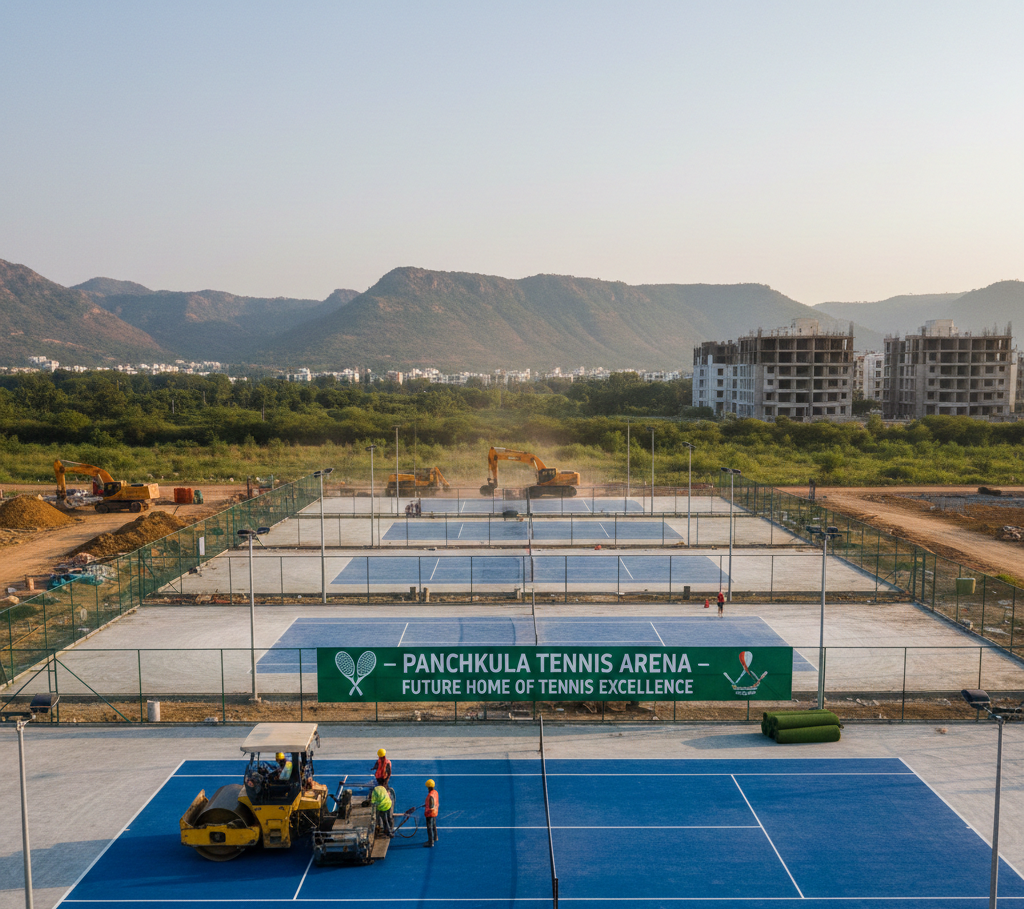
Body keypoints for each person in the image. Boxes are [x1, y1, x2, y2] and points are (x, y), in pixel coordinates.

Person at [424, 779, 439, 847]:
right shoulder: (435, 792)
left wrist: (428, 808)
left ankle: (430, 842)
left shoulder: (430, 795)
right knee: (434, 825)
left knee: (429, 827)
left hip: (430, 814)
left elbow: (431, 805)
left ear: (429, 787)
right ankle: (435, 837)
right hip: (435, 812)